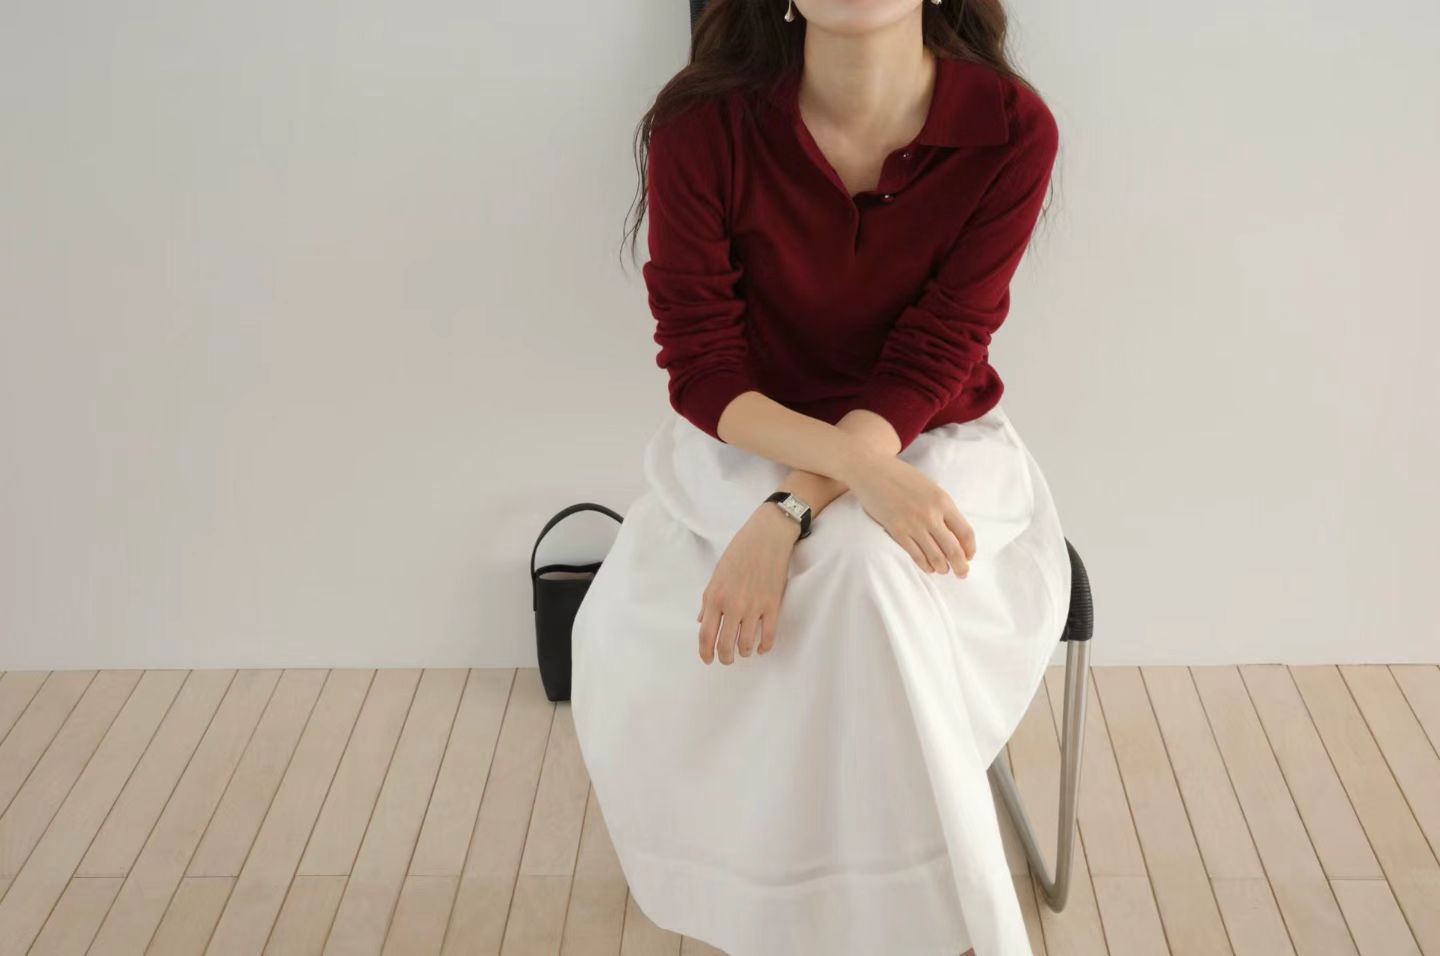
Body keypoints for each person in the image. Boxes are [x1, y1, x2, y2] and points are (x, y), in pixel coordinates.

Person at [571, 1, 1068, 953]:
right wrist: (813, 485)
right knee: (843, 571)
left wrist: (798, 505)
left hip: (930, 435)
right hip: (749, 439)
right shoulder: (700, 127)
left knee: (863, 570)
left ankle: (885, 914)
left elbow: (939, 350)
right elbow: (703, 368)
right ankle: (811, 900)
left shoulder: (1011, 128)